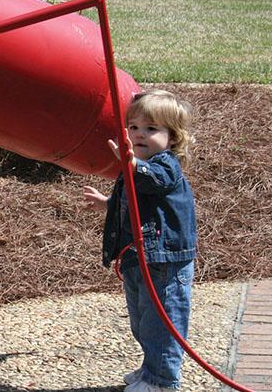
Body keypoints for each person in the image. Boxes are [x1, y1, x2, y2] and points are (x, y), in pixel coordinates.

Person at [81, 89, 197, 392]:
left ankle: (162, 381)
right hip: (139, 256)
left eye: (151, 129)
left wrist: (132, 164)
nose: (139, 135)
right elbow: (135, 196)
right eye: (133, 127)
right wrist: (108, 203)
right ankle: (150, 371)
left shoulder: (165, 165)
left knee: (162, 320)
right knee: (143, 320)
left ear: (172, 138)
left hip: (164, 260)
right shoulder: (135, 167)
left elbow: (153, 181)